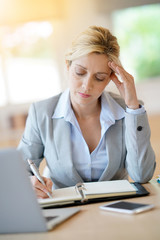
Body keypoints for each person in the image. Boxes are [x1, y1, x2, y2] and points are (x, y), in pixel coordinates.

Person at [18, 26, 156, 199]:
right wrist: (29, 181)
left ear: (110, 78)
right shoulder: (41, 113)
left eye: (99, 77)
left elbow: (142, 176)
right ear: (67, 66)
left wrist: (133, 108)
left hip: (118, 208)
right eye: (80, 72)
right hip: (65, 209)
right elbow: (20, 170)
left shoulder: (127, 111)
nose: (87, 85)